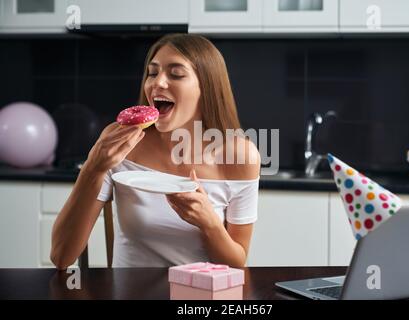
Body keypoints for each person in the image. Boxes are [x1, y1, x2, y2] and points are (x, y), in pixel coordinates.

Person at [50, 33, 261, 269]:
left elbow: (236, 265)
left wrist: (210, 223)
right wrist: (92, 168)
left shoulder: (240, 156)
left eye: (176, 74)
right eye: (152, 73)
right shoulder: (123, 141)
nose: (157, 83)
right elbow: (61, 256)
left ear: (207, 86)